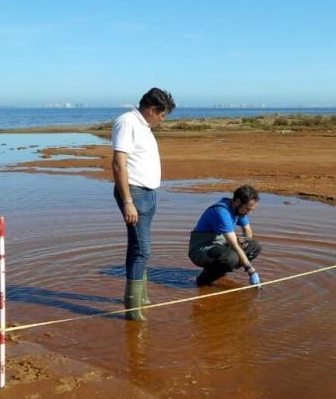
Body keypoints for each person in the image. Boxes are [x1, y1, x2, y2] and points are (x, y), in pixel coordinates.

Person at [112, 87, 176, 321]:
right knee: (143, 249)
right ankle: (132, 308)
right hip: (135, 194)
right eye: (162, 115)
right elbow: (119, 164)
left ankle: (142, 297)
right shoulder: (127, 122)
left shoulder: (143, 125)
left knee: (139, 247)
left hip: (147, 194)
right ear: (152, 109)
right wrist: (128, 201)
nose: (163, 119)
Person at [188, 185, 263, 287]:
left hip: (221, 245)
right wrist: (251, 270)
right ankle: (203, 281)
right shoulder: (221, 212)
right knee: (230, 258)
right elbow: (235, 246)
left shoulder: (239, 210)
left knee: (255, 246)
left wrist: (246, 240)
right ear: (237, 201)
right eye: (247, 209)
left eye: (251, 210)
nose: (248, 213)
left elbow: (247, 230)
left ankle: (220, 270)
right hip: (201, 249)